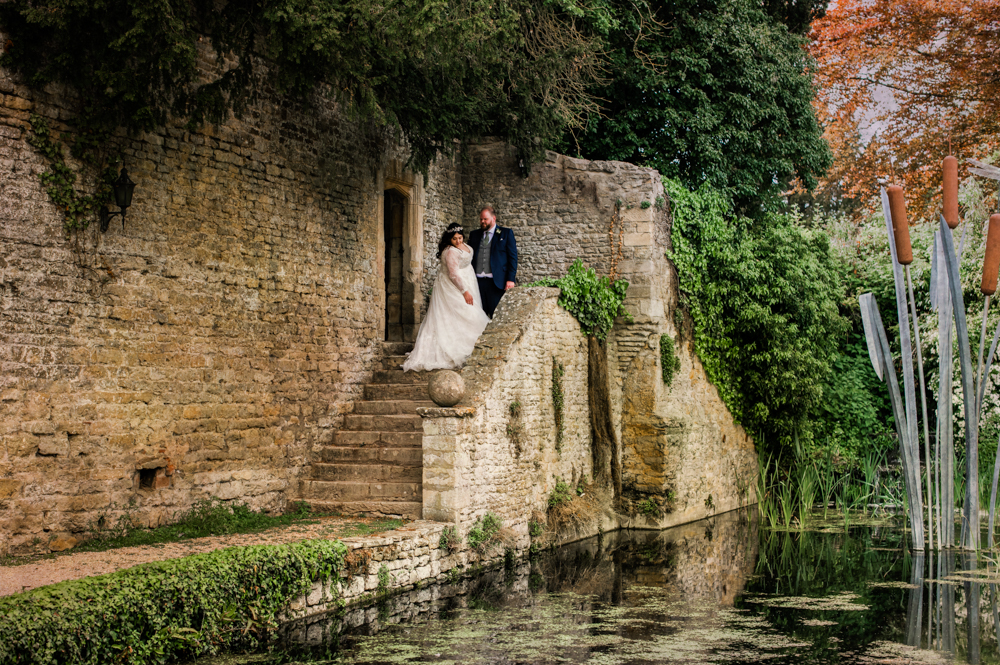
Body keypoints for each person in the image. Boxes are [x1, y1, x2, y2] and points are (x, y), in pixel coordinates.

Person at [402, 224, 491, 372]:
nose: (457, 241)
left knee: (466, 312)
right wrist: (464, 291)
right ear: (449, 239)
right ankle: (458, 347)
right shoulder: (450, 252)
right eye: (454, 239)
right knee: (463, 313)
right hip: (454, 286)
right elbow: (453, 274)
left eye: (460, 238)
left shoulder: (466, 246)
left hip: (468, 281)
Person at [468, 205, 517, 318]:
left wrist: (510, 279)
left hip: (496, 284)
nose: (482, 222)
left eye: (485, 219)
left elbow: (512, 258)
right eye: (481, 219)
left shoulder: (506, 233)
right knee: (478, 317)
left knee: (497, 317)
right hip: (477, 283)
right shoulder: (474, 235)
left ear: (493, 218)